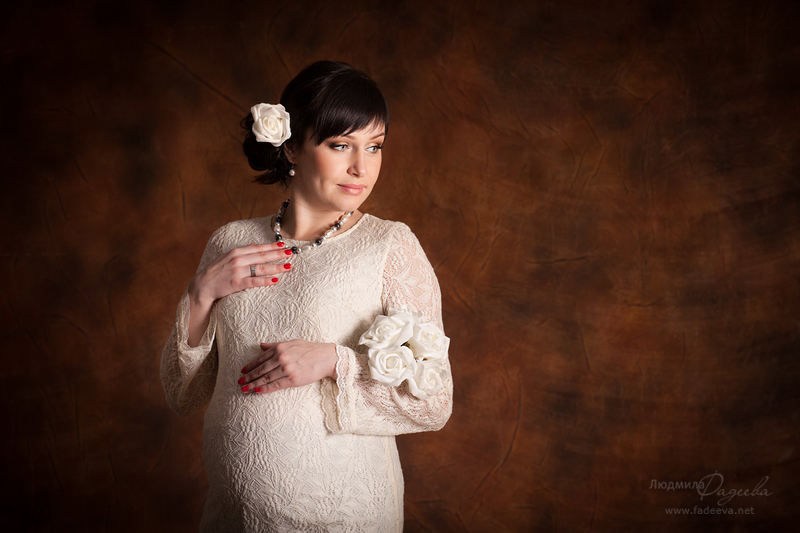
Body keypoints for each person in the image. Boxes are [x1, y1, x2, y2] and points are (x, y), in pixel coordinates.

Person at [160, 60, 453, 532]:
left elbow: (434, 403)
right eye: (340, 145)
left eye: (374, 146)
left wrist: (335, 361)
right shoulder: (231, 243)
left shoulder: (389, 246)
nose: (361, 167)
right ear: (292, 146)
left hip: (345, 515)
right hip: (232, 517)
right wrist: (200, 296)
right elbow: (183, 392)